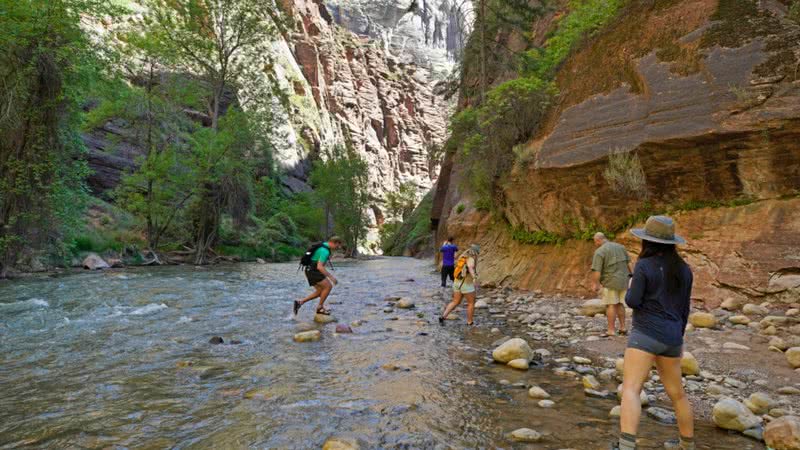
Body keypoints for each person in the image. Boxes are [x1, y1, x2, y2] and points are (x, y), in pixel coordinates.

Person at [614, 216, 694, 450]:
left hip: (645, 335)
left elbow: (632, 301)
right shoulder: (684, 269)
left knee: (631, 388)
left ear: (647, 241)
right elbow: (684, 308)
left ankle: (626, 446)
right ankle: (687, 445)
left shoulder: (644, 265)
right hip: (672, 337)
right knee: (677, 395)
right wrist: (677, 337)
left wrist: (631, 285)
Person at [591, 232, 633, 337]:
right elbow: (629, 263)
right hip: (624, 280)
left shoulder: (600, 251)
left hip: (610, 281)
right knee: (620, 303)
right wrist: (632, 276)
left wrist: (596, 284)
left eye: (595, 242)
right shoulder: (621, 247)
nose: (595, 244)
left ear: (598, 240)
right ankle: (623, 328)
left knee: (610, 304)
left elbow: (597, 271)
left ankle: (611, 330)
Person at [294, 237, 343, 316]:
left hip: (309, 270)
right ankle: (320, 308)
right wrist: (331, 277)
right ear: (334, 243)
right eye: (338, 246)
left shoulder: (323, 245)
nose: (338, 248)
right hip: (313, 271)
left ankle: (299, 302)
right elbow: (319, 266)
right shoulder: (325, 251)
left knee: (320, 291)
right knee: (328, 287)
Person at [438, 244, 480, 326]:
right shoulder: (470, 259)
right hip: (466, 284)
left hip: (457, 282)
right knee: (471, 303)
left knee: (455, 301)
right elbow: (470, 267)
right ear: (475, 252)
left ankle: (443, 317)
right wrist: (474, 277)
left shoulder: (462, 256)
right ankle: (470, 322)